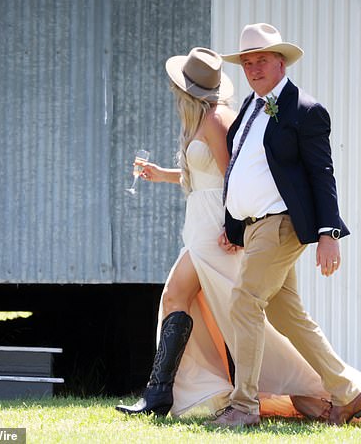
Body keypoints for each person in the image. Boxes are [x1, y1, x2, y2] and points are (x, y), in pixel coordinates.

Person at [115, 47, 340, 419]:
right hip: (200, 225)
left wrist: (230, 228)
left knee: (194, 301)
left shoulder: (218, 120)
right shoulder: (201, 118)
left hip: (215, 230)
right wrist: (163, 174)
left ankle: (310, 387)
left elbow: (232, 179)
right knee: (208, 309)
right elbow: (204, 177)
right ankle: (166, 394)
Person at [210, 23, 361, 428]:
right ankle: (348, 395)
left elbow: (322, 174)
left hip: (282, 224)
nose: (253, 68)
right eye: (247, 62)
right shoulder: (251, 108)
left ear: (281, 62)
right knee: (289, 317)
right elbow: (241, 168)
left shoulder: (305, 109)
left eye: (262, 60)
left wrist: (328, 233)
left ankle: (244, 405)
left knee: (245, 301)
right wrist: (232, 224)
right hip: (253, 227)